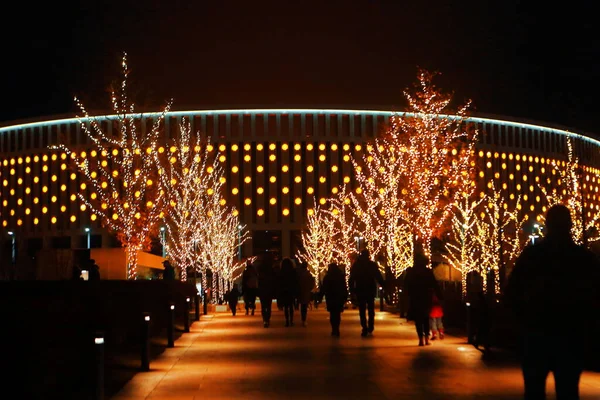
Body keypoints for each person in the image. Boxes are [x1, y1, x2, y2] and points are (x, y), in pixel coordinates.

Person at [504, 204, 600, 400]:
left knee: (534, 390)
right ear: (570, 225)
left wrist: (521, 321)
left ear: (548, 225)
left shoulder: (532, 256)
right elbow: (594, 297)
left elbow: (513, 291)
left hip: (537, 333)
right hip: (571, 334)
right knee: (568, 390)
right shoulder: (583, 258)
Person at [404, 251, 442, 346]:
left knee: (418, 319)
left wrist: (407, 295)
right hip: (426, 297)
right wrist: (439, 295)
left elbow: (406, 285)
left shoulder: (411, 272)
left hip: (415, 297)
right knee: (425, 318)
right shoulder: (428, 272)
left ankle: (420, 338)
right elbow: (434, 284)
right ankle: (426, 338)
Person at [348, 249, 385, 337]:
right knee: (371, 309)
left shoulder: (357, 265)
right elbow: (378, 276)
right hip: (370, 289)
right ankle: (370, 326)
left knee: (362, 310)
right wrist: (383, 285)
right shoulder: (371, 265)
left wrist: (352, 290)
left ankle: (364, 327)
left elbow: (352, 278)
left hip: (360, 289)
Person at [321, 263, 348, 337]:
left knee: (332, 314)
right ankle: (337, 328)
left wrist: (320, 297)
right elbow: (344, 287)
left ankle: (334, 328)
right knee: (337, 314)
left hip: (330, 297)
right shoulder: (340, 276)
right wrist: (345, 296)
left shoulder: (327, 277)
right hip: (339, 297)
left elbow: (324, 288)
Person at [257, 254, 277, 328]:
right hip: (269, 290)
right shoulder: (271, 269)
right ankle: (267, 319)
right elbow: (274, 280)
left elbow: (259, 281)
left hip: (262, 290)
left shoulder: (260, 269)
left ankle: (264, 319)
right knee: (268, 306)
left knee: (263, 306)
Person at [278, 257, 298, 327]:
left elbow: (279, 282)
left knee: (286, 307)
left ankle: (287, 321)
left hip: (284, 290)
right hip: (291, 290)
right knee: (291, 306)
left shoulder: (281, 272)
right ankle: (291, 320)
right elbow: (295, 281)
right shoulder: (293, 271)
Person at [296, 262, 315, 327]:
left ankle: (303, 318)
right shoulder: (308, 274)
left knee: (302, 305)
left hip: (300, 291)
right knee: (304, 305)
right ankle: (304, 319)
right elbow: (312, 283)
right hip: (306, 291)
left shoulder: (299, 274)